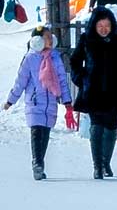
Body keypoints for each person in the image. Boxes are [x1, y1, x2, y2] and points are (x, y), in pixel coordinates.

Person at [70, 6, 117, 179]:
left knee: (111, 127)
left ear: (112, 25)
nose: (104, 29)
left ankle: (106, 162)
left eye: (107, 25)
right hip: (93, 90)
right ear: (94, 26)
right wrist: (81, 78)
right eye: (100, 26)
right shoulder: (86, 39)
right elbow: (75, 61)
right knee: (96, 126)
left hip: (116, 90)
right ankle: (97, 166)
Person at [3, 26, 74, 180]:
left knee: (45, 134)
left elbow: (62, 81)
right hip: (34, 102)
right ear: (37, 41)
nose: (49, 39)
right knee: (36, 132)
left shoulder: (55, 58)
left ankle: (40, 162)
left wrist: (67, 102)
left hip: (51, 104)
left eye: (50, 36)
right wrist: (11, 100)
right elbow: (21, 81)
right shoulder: (30, 58)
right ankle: (37, 163)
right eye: (46, 37)